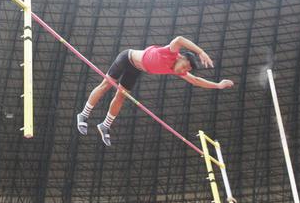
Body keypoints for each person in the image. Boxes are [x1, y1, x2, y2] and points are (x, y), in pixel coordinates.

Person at [76, 36, 234, 146]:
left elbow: (196, 81)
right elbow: (179, 39)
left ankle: (105, 125)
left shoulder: (176, 70)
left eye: (186, 70)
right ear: (181, 57)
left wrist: (218, 85)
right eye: (185, 66)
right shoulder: (171, 52)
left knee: (121, 96)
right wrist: (200, 52)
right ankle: (83, 114)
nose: (183, 71)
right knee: (106, 85)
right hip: (127, 58)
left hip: (136, 69)